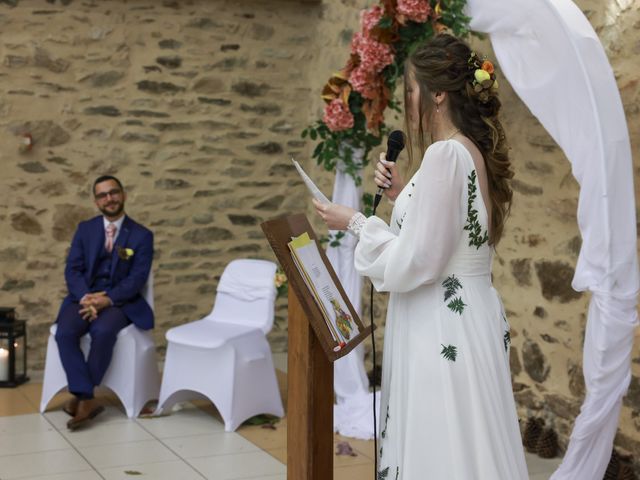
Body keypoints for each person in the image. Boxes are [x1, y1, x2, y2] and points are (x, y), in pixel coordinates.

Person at [313, 33, 528, 479]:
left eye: (410, 89)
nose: (407, 101)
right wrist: (399, 194)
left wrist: (355, 222)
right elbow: (443, 236)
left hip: (440, 321)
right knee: (464, 442)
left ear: (438, 93)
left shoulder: (445, 154)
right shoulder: (466, 151)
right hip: (466, 315)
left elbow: (422, 260)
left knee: (443, 444)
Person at [55, 175, 154, 430]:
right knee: (65, 332)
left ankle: (81, 399)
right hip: (84, 297)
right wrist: (86, 296)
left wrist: (107, 299)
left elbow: (137, 278)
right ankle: (87, 395)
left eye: (113, 192)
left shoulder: (142, 236)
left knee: (103, 330)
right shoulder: (85, 229)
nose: (109, 199)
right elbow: (73, 269)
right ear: (96, 201)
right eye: (102, 195)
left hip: (119, 302)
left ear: (123, 195)